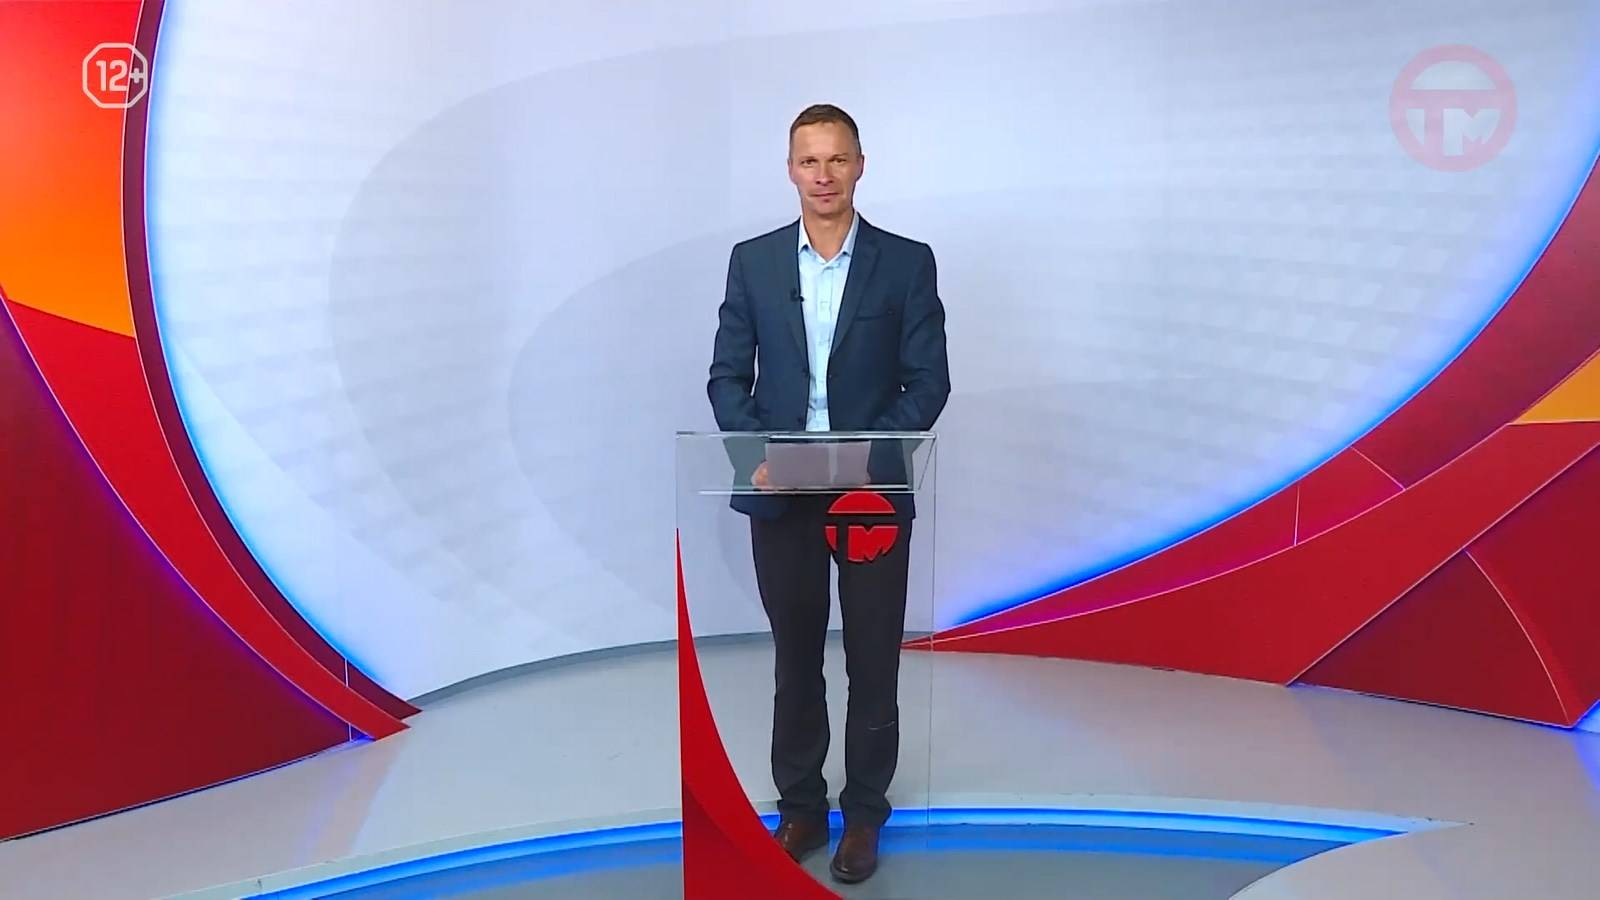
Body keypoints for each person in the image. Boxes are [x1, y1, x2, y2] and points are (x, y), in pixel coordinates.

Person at [706, 103, 951, 884]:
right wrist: (758, 457)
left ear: (860, 165)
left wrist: (864, 459)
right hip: (782, 494)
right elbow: (726, 377)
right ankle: (803, 808)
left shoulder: (906, 263)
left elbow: (928, 383)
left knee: (873, 663)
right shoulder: (753, 263)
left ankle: (865, 816)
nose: (823, 175)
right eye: (809, 161)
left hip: (868, 496)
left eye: (837, 159)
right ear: (790, 170)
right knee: (796, 660)